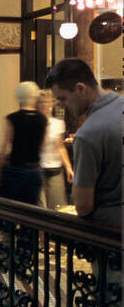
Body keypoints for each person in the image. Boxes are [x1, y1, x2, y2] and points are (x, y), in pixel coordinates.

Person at [45, 59, 123, 225]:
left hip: (109, 232)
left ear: (80, 88)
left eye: (63, 98)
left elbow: (83, 206)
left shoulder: (88, 134)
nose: (62, 105)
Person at [0, 81, 47, 206]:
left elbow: (4, 146)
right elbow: (42, 147)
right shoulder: (42, 119)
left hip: (17, 168)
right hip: (35, 169)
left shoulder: (12, 118)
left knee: (14, 207)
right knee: (32, 208)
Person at [37, 90, 73, 211]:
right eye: (41, 102)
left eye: (47, 102)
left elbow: (60, 147)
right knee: (40, 209)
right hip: (38, 169)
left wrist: (68, 167)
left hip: (55, 170)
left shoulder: (58, 123)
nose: (45, 105)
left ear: (51, 104)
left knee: (58, 207)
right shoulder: (34, 123)